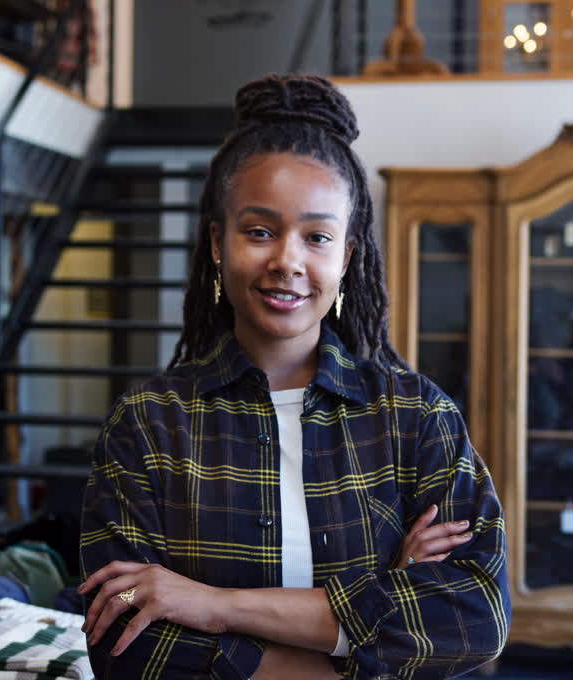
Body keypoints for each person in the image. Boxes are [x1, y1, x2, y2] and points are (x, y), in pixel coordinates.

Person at [77, 74, 509, 679]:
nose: (287, 260)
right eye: (259, 231)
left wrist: (214, 606)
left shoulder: (415, 418)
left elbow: (474, 618)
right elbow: (124, 644)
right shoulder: (150, 424)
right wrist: (376, 622)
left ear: (347, 257)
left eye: (317, 236)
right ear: (218, 242)